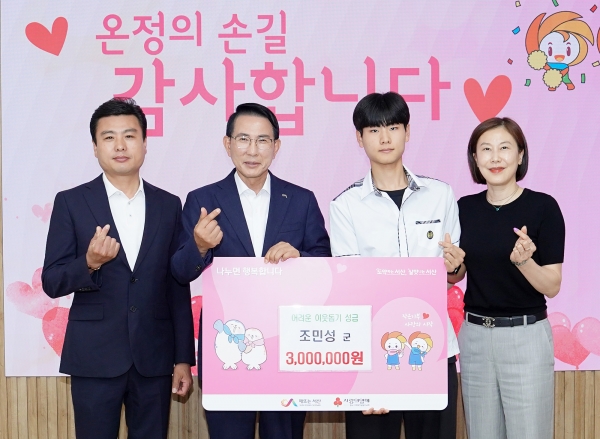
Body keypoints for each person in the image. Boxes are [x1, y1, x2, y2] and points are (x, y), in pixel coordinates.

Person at [171, 103, 331, 439]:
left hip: (288, 346)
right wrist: (200, 245)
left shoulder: (301, 200)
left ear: (277, 146)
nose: (253, 150)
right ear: (227, 144)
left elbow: (326, 266)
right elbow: (179, 272)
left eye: (263, 140)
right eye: (243, 139)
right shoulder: (202, 200)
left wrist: (300, 257)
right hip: (228, 348)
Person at [41, 98, 195, 439]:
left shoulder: (169, 205)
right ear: (95, 147)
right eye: (109, 137)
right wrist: (89, 263)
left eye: (129, 135)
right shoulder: (71, 202)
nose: (120, 145)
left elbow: (176, 286)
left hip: (154, 358)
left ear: (144, 143)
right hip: (94, 356)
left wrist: (183, 357)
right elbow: (52, 280)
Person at [329, 91, 464, 439]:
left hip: (431, 345)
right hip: (374, 351)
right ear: (359, 138)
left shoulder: (440, 195)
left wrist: (456, 266)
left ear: (407, 131)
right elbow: (350, 285)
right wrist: (368, 370)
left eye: (393, 127)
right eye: (374, 130)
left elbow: (454, 273)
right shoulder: (345, 205)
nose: (385, 138)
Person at [457, 117, 564, 439]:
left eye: (504, 148)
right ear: (475, 158)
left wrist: (524, 262)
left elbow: (552, 285)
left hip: (525, 337)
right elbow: (458, 273)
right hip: (475, 337)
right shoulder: (463, 208)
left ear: (520, 155)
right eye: (485, 149)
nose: (495, 157)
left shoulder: (543, 207)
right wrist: (451, 266)